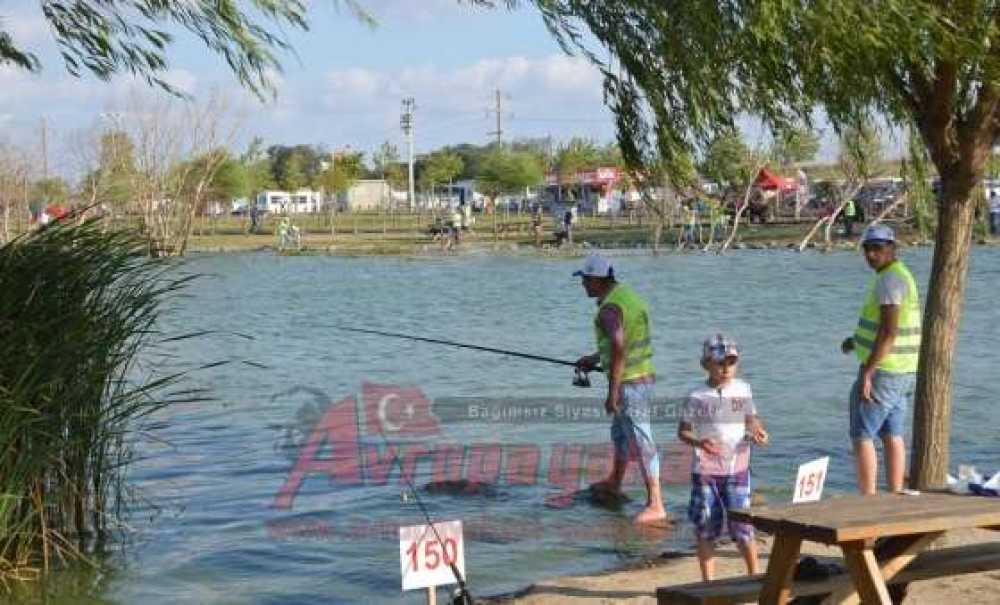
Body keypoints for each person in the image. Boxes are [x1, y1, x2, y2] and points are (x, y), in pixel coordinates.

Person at [574, 254, 666, 524]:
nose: (583, 285)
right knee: (620, 435)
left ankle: (656, 503)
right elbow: (623, 341)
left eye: (585, 280)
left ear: (598, 280)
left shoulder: (608, 310)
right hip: (642, 375)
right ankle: (615, 481)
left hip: (630, 383)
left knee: (641, 440)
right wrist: (593, 359)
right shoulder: (626, 295)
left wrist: (612, 394)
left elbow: (618, 347)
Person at [678, 334, 768, 581]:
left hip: (737, 469)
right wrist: (699, 442)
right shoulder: (696, 395)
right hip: (705, 473)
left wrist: (757, 431)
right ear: (705, 364)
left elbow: (751, 419)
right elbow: (683, 431)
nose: (726, 368)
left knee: (743, 528)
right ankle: (709, 583)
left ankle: (755, 577)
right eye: (719, 362)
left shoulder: (743, 389)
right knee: (706, 528)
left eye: (731, 362)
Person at [841, 225, 921, 495]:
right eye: (868, 248)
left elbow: (889, 331)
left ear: (892, 248)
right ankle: (896, 492)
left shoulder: (890, 280)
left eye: (878, 248)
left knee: (862, 435)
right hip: (903, 371)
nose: (872, 254)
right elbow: (881, 327)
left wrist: (867, 372)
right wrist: (855, 342)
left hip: (884, 371)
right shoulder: (897, 275)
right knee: (892, 434)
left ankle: (868, 500)